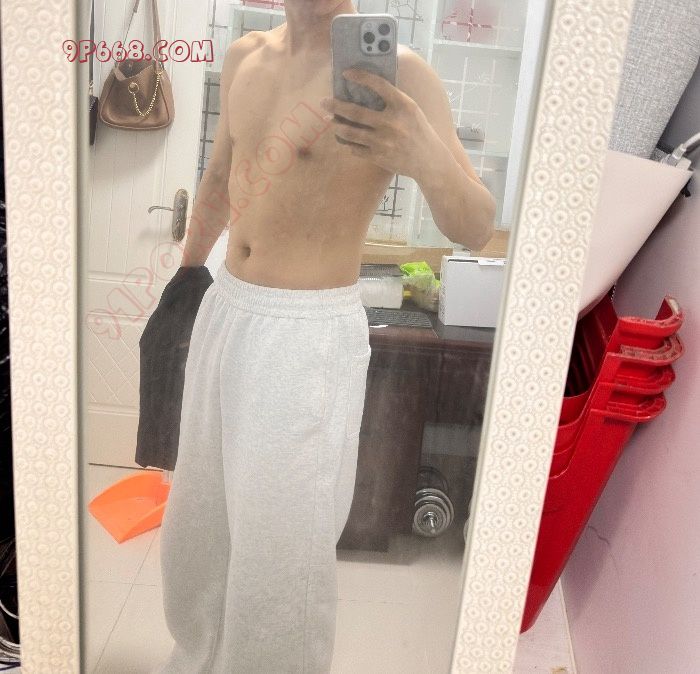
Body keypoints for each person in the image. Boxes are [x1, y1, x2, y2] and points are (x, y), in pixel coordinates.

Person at [156, 1, 496, 672]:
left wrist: (422, 154)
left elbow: (477, 226)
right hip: (226, 305)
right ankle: (196, 659)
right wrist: (185, 282)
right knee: (199, 523)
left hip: (306, 335)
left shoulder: (401, 73)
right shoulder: (245, 54)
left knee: (280, 550)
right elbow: (221, 179)